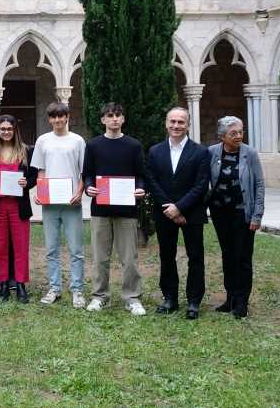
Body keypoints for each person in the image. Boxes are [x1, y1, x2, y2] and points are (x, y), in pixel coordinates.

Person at [82, 103, 147, 316]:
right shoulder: (93, 145)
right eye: (110, 116)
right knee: (100, 257)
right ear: (103, 120)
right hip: (100, 209)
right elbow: (88, 174)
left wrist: (140, 188)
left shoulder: (134, 145)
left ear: (123, 119)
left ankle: (132, 297)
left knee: (129, 258)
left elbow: (141, 175)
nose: (114, 119)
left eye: (118, 115)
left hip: (126, 210)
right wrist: (90, 186)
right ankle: (100, 296)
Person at [145, 107, 210, 320]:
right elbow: (152, 181)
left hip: (192, 212)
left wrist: (180, 208)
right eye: (172, 121)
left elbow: (201, 185)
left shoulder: (200, 152)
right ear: (166, 123)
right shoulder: (155, 151)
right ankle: (170, 298)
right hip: (165, 213)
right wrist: (170, 208)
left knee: (195, 257)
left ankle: (193, 301)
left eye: (181, 122)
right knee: (167, 256)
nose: (176, 126)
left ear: (188, 125)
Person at [30, 102, 86, 309]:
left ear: (67, 117)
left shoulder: (78, 141)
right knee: (51, 248)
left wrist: (79, 193)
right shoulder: (43, 141)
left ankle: (77, 289)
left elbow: (83, 173)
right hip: (51, 204)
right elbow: (41, 171)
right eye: (53, 117)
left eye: (60, 117)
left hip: (72, 203)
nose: (57, 121)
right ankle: (54, 287)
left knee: (76, 249)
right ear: (49, 119)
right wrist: (40, 193)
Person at [208, 116, 265, 319]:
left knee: (243, 258)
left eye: (241, 132)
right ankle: (230, 297)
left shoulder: (250, 154)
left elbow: (259, 185)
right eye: (234, 133)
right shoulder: (212, 152)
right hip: (220, 214)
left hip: (243, 214)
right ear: (223, 136)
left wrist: (257, 215)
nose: (239, 136)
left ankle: (242, 302)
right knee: (228, 256)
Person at [0, 116, 37, 303]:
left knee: (20, 247)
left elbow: (34, 176)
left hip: (18, 206)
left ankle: (20, 284)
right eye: (3, 129)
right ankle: (4, 284)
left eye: (9, 129)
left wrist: (26, 183)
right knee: (0, 247)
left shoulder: (26, 151)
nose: (6, 132)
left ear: (15, 130)